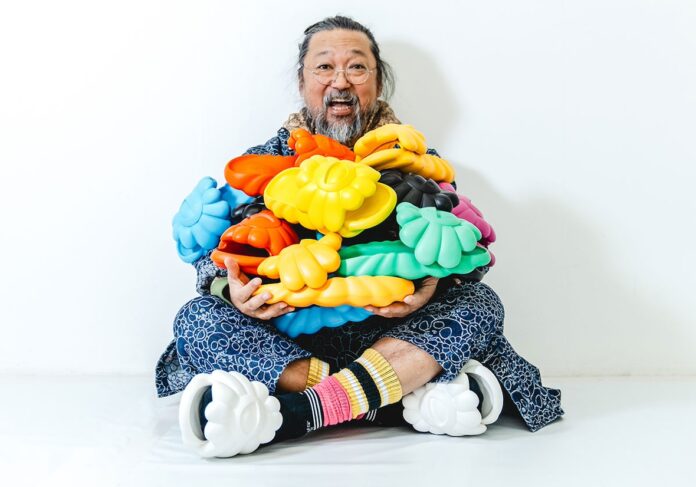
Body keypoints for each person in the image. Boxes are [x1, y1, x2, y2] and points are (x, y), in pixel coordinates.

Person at [156, 15, 564, 457]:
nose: (340, 82)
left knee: (479, 303)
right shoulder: (265, 159)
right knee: (196, 318)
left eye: (356, 67)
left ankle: (297, 412)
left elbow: (462, 249)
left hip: (396, 333)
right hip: (291, 341)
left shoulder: (413, 158)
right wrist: (232, 291)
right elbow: (214, 256)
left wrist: (430, 286)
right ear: (302, 81)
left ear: (377, 81)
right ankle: (394, 400)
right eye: (324, 67)